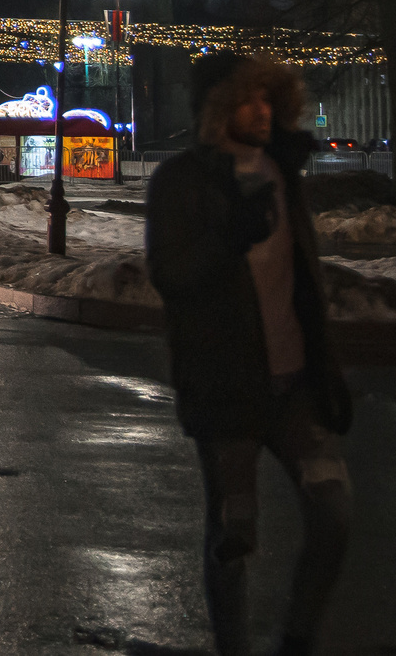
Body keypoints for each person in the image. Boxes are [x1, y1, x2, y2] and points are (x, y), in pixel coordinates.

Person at [145, 54, 353, 656]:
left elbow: (305, 285)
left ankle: (297, 639)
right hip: (226, 387)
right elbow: (172, 275)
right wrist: (230, 236)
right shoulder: (181, 181)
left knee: (334, 514)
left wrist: (328, 371)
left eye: (269, 99)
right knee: (234, 533)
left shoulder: (284, 175)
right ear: (217, 109)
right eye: (247, 99)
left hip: (295, 388)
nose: (262, 111)